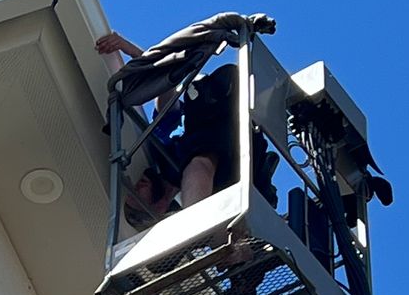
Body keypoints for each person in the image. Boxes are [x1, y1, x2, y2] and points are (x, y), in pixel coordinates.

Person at [95, 31, 275, 219]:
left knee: (198, 146)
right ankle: (207, 235)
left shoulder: (159, 143)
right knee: (200, 162)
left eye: (131, 191)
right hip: (236, 168)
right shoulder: (195, 187)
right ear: (159, 208)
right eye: (138, 198)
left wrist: (128, 48)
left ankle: (198, 229)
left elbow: (163, 81)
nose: (137, 187)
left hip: (226, 117)